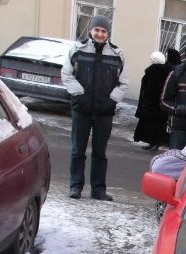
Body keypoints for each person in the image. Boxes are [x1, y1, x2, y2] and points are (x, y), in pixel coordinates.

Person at [61, 14, 129, 201]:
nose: (100, 34)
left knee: (100, 152)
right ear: (91, 30)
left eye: (103, 31)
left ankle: (98, 190)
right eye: (97, 30)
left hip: (104, 112)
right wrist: (79, 95)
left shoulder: (117, 54)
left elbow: (124, 83)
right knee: (78, 150)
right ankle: (75, 187)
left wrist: (111, 101)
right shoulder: (77, 50)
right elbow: (67, 75)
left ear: (108, 33)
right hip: (81, 109)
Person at [133, 51, 173, 151]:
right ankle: (152, 143)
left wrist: (147, 101)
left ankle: (155, 143)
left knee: (155, 125)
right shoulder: (165, 71)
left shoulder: (154, 71)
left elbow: (151, 88)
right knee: (153, 125)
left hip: (153, 104)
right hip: (158, 103)